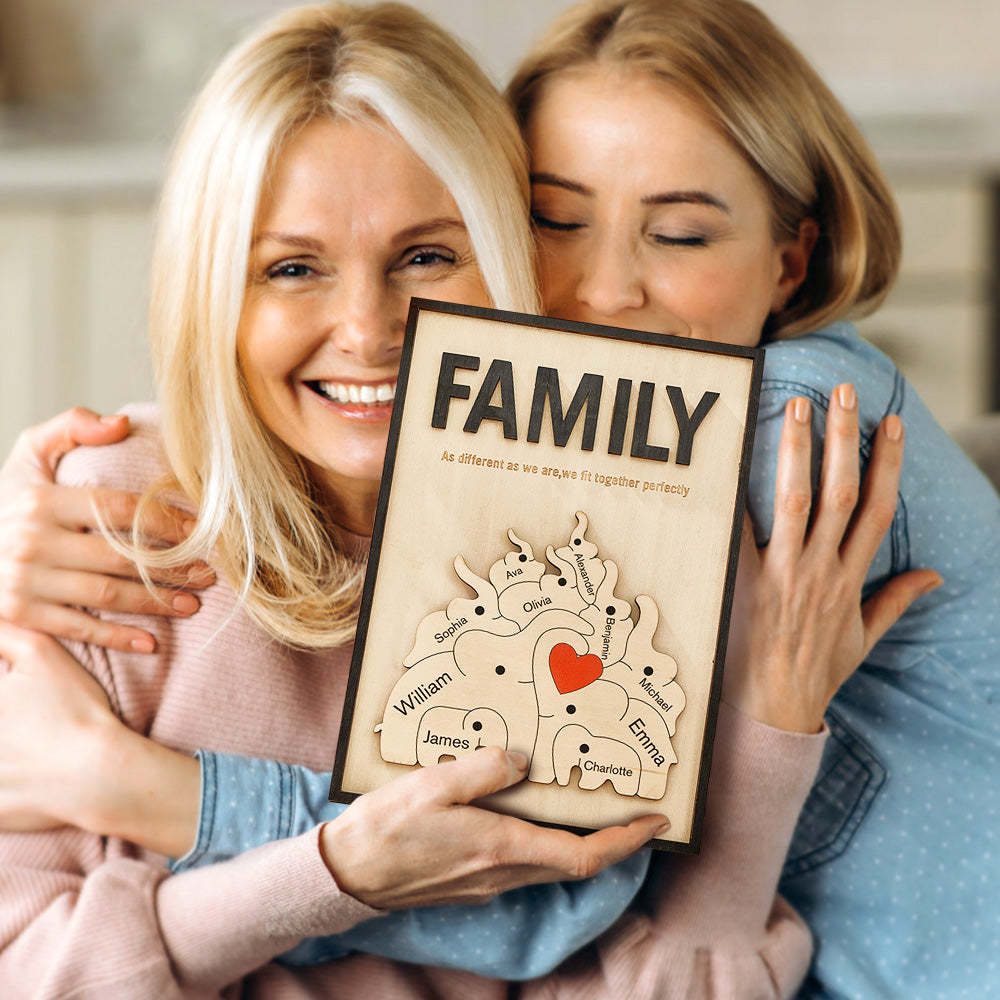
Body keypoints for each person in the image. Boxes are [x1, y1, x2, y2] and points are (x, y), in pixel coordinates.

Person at [0, 0, 971, 996]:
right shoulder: (102, 530)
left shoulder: (630, 540)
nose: (368, 328)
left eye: (426, 255)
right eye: (291, 268)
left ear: (506, 255)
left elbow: (631, 951)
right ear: (210, 293)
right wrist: (335, 872)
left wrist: (767, 731)